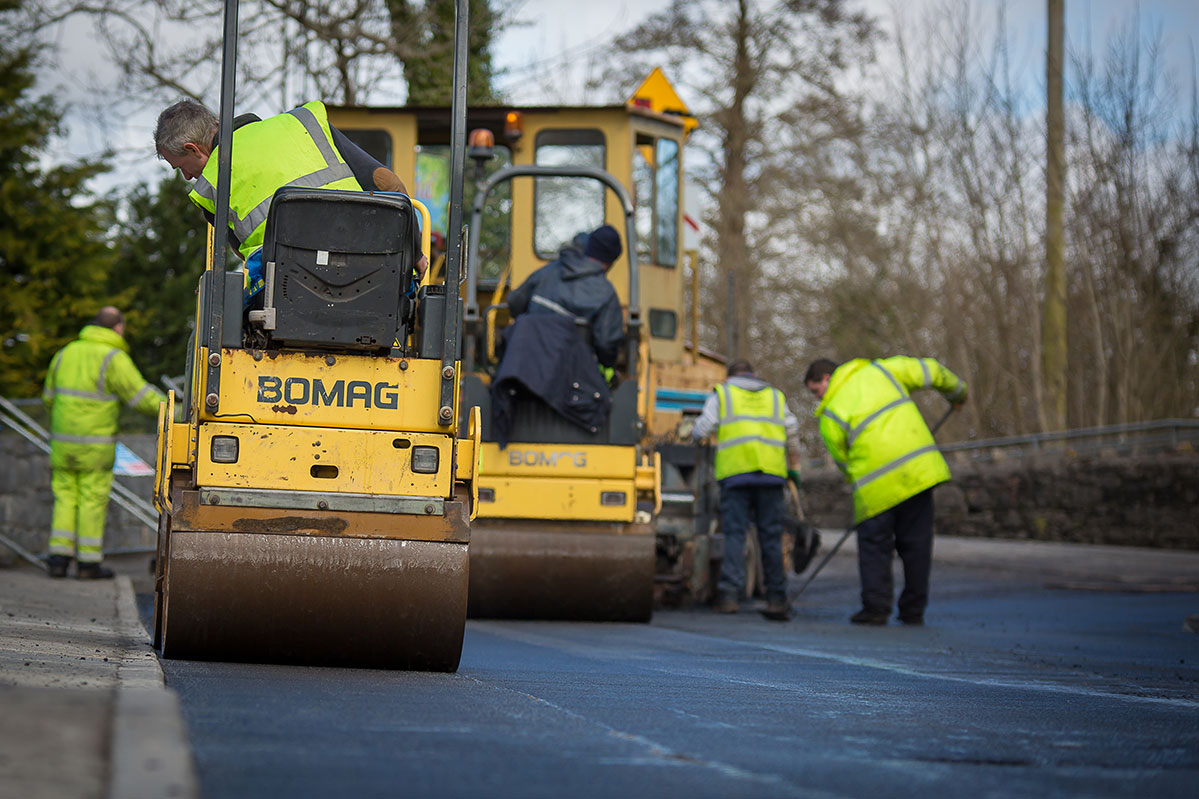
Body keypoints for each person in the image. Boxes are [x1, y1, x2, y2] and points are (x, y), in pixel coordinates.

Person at [153, 99, 425, 307]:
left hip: (287, 298)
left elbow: (243, 255)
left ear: (193, 148)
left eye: (181, 167)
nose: (188, 176)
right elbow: (389, 185)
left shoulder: (211, 187)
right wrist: (416, 255)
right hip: (376, 277)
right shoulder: (303, 123)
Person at [804, 356, 967, 626]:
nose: (816, 398)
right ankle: (913, 610)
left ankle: (876, 609)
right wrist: (957, 392)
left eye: (815, 391)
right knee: (917, 545)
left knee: (874, 548)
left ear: (827, 379)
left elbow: (842, 461)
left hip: (874, 486)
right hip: (917, 472)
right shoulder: (882, 370)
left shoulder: (830, 413)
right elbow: (933, 370)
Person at [42, 307, 166, 579]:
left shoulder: (65, 353)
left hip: (62, 444)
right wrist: (177, 410)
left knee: (64, 497)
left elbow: (48, 397)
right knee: (91, 500)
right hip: (95, 446)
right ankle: (88, 564)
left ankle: (57, 560)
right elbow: (141, 397)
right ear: (118, 328)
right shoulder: (113, 357)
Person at [691, 360, 802, 621]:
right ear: (754, 374)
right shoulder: (775, 396)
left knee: (734, 535)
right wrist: (793, 466)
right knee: (771, 538)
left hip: (736, 477)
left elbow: (703, 427)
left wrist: (694, 435)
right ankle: (776, 597)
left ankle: (729, 596)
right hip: (772, 476)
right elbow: (792, 430)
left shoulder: (723, 394)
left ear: (731, 376)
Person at [505, 224, 624, 370]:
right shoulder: (607, 294)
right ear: (611, 260)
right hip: (570, 376)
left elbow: (514, 303)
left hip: (523, 367)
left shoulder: (547, 272)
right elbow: (606, 346)